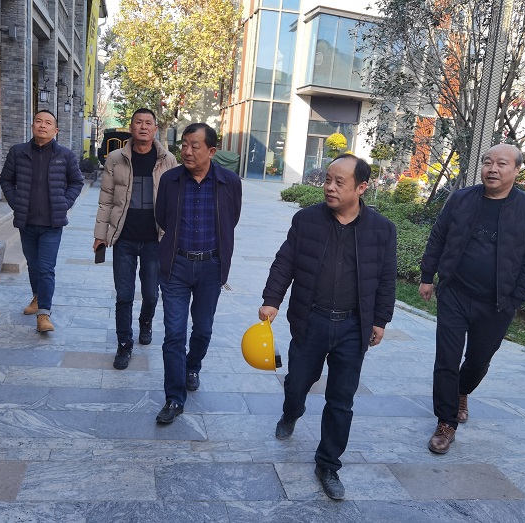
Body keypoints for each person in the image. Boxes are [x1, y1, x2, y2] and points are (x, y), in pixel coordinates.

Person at [259, 154, 397, 500]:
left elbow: (386, 278)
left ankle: (328, 464)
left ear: (361, 188)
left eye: (339, 182)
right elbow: (285, 261)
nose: (329, 187)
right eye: (327, 180)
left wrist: (380, 320)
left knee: (341, 400)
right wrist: (272, 299)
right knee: (296, 383)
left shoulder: (382, 230)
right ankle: (292, 412)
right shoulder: (307, 220)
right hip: (311, 320)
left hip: (353, 327)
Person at [419, 143, 525, 454]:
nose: (493, 169)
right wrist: (427, 276)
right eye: (487, 162)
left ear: (517, 170)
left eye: (502, 163)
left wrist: (516, 298)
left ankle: (462, 391)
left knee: (478, 361)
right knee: (447, 360)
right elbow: (439, 236)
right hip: (455, 293)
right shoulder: (462, 198)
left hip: (498, 302)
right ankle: (446, 422)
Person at [154, 123, 242, 424]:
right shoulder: (170, 180)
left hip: (210, 267)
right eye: (184, 145)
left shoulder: (230, 182)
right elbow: (162, 217)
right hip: (176, 266)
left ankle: (192, 367)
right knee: (174, 333)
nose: (187, 151)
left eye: (195, 146)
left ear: (211, 151)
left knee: (203, 329)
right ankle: (174, 398)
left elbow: (232, 218)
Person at [93, 108, 178, 370]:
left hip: (155, 240)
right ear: (131, 127)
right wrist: (100, 236)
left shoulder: (168, 160)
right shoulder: (116, 159)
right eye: (138, 122)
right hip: (124, 240)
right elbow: (106, 199)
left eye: (148, 123)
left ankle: (145, 321)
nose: (143, 127)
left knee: (151, 295)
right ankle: (124, 345)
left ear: (155, 129)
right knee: (124, 296)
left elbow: (176, 202)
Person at [0, 109, 84, 332]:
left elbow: (77, 182)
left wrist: (65, 203)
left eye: (48, 123)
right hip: (26, 222)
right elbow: (6, 180)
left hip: (52, 224)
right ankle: (37, 297)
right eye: (38, 121)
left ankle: (43, 314)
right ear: (32, 126)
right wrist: (16, 203)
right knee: (34, 265)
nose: (42, 125)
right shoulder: (18, 152)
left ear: (56, 130)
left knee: (46, 268)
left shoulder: (65, 155)